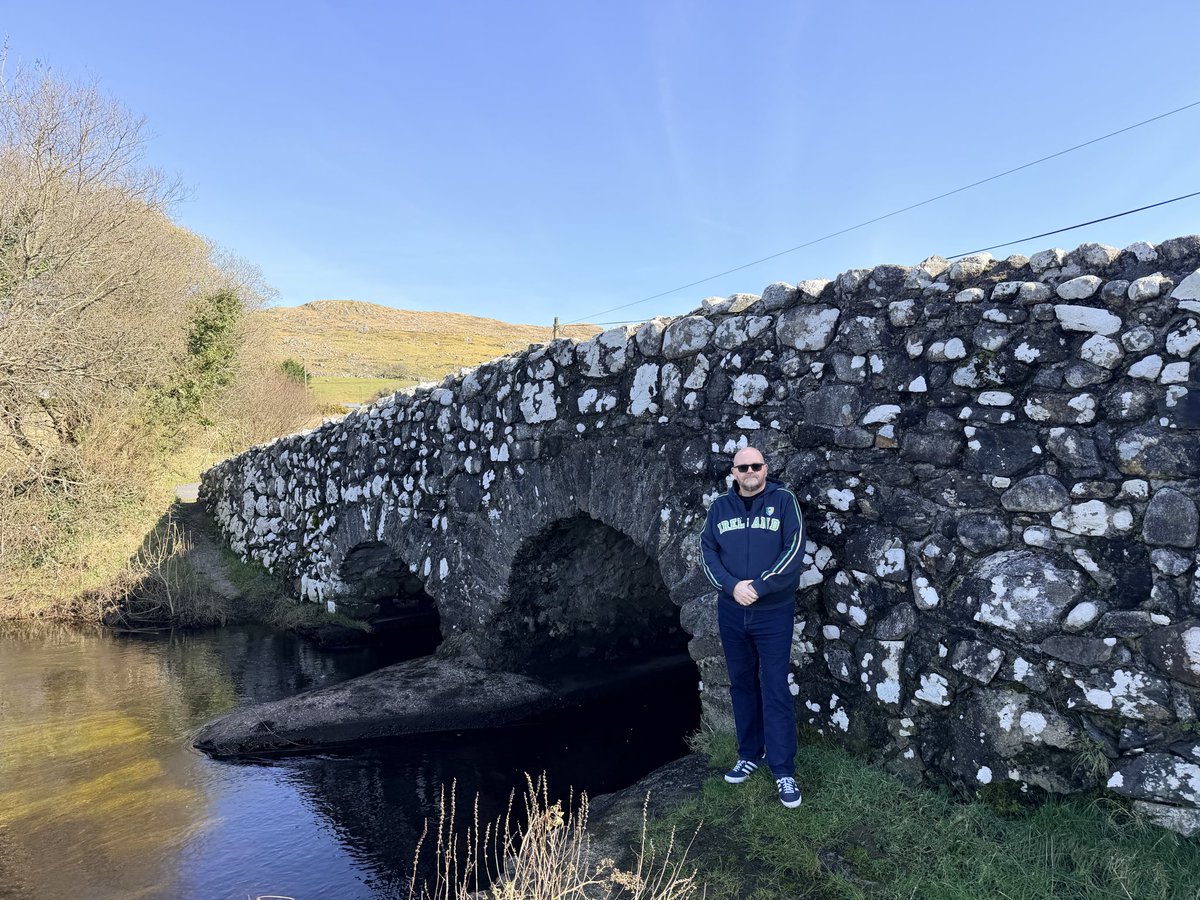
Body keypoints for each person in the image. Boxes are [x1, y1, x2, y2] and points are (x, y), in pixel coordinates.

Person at [700, 446, 806, 808]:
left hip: (772, 611)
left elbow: (793, 549)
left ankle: (783, 770)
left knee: (774, 686)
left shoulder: (784, 500)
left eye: (756, 466)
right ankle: (749, 754)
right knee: (741, 683)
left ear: (765, 469)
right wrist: (732, 587)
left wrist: (758, 586)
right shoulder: (719, 508)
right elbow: (707, 550)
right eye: (743, 467)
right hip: (732, 611)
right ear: (733, 472)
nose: (750, 472)